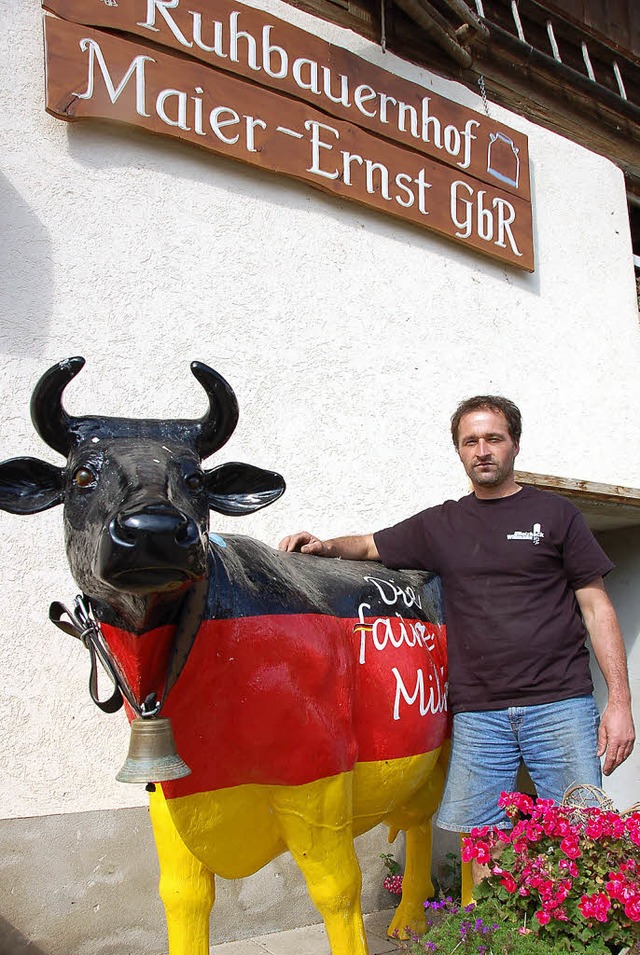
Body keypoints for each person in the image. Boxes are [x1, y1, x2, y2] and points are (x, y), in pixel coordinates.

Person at [279, 395, 635, 846]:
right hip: (479, 713)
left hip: (560, 704)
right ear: (459, 451)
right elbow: (370, 545)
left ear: (515, 445)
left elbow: (597, 607)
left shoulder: (555, 515)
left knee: (582, 835)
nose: (482, 450)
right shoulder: (442, 524)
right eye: (470, 441)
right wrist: (324, 544)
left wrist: (620, 704)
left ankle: (579, 921)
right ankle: (492, 920)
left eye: (493, 438)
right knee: (483, 840)